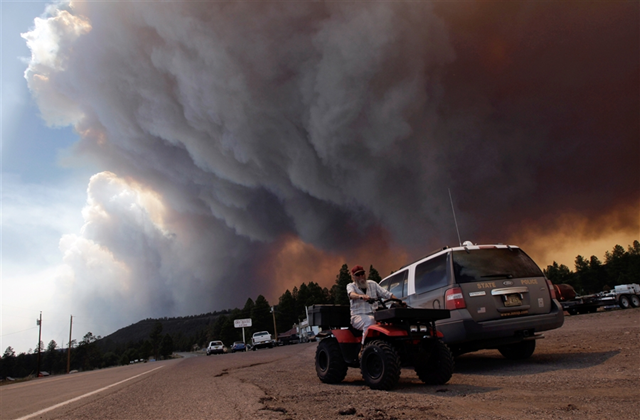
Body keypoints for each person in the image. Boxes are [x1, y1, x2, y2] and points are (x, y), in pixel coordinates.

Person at [346, 265, 400, 345]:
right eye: (358, 275)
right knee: (370, 321)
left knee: (390, 322)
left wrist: (399, 301)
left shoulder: (372, 284)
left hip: (375, 315)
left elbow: (386, 294)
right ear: (353, 277)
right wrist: (361, 296)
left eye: (362, 273)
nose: (361, 276)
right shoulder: (351, 286)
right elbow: (351, 295)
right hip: (358, 317)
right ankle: (364, 347)